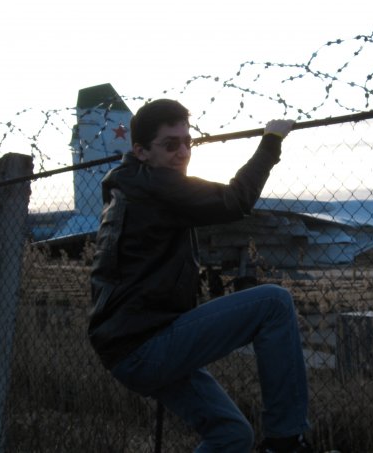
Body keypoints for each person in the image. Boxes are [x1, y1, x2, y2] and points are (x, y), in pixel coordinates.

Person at [88, 99, 312, 453]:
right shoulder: (156, 186)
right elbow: (235, 200)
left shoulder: (130, 186)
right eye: (170, 145)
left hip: (128, 347)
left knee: (232, 435)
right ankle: (286, 441)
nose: (183, 153)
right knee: (274, 303)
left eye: (187, 142)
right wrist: (271, 141)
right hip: (145, 345)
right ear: (141, 151)